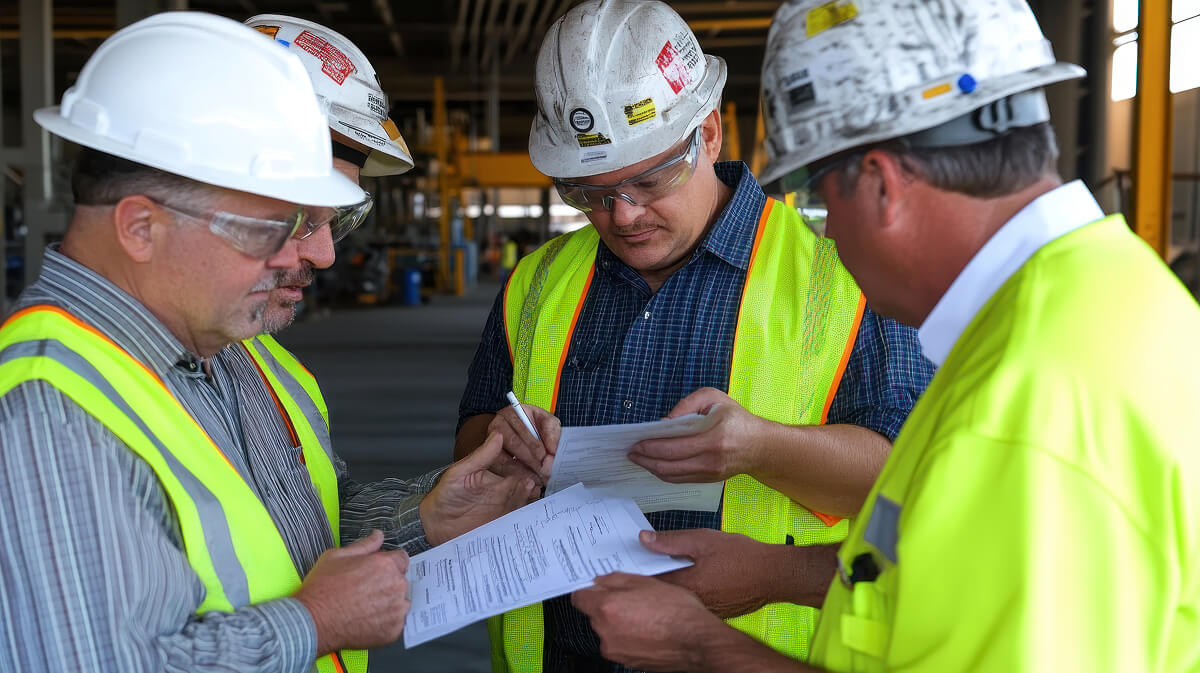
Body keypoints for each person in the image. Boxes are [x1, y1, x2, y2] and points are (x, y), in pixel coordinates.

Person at [572, 0, 1200, 671]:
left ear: (880, 183)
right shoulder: (1121, 294)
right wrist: (780, 571)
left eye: (819, 195)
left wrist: (699, 645)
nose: (828, 234)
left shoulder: (1023, 408)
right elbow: (968, 566)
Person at [0, 13, 535, 673]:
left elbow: (288, 531)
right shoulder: (47, 411)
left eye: (327, 218)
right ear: (141, 226)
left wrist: (423, 515)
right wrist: (314, 622)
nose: (323, 252)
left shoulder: (231, 347)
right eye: (280, 223)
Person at [454, 1, 934, 670]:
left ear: (707, 134)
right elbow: (476, 431)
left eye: (648, 180)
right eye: (588, 193)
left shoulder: (842, 277)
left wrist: (762, 447)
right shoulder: (536, 283)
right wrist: (505, 446)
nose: (621, 214)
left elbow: (908, 481)